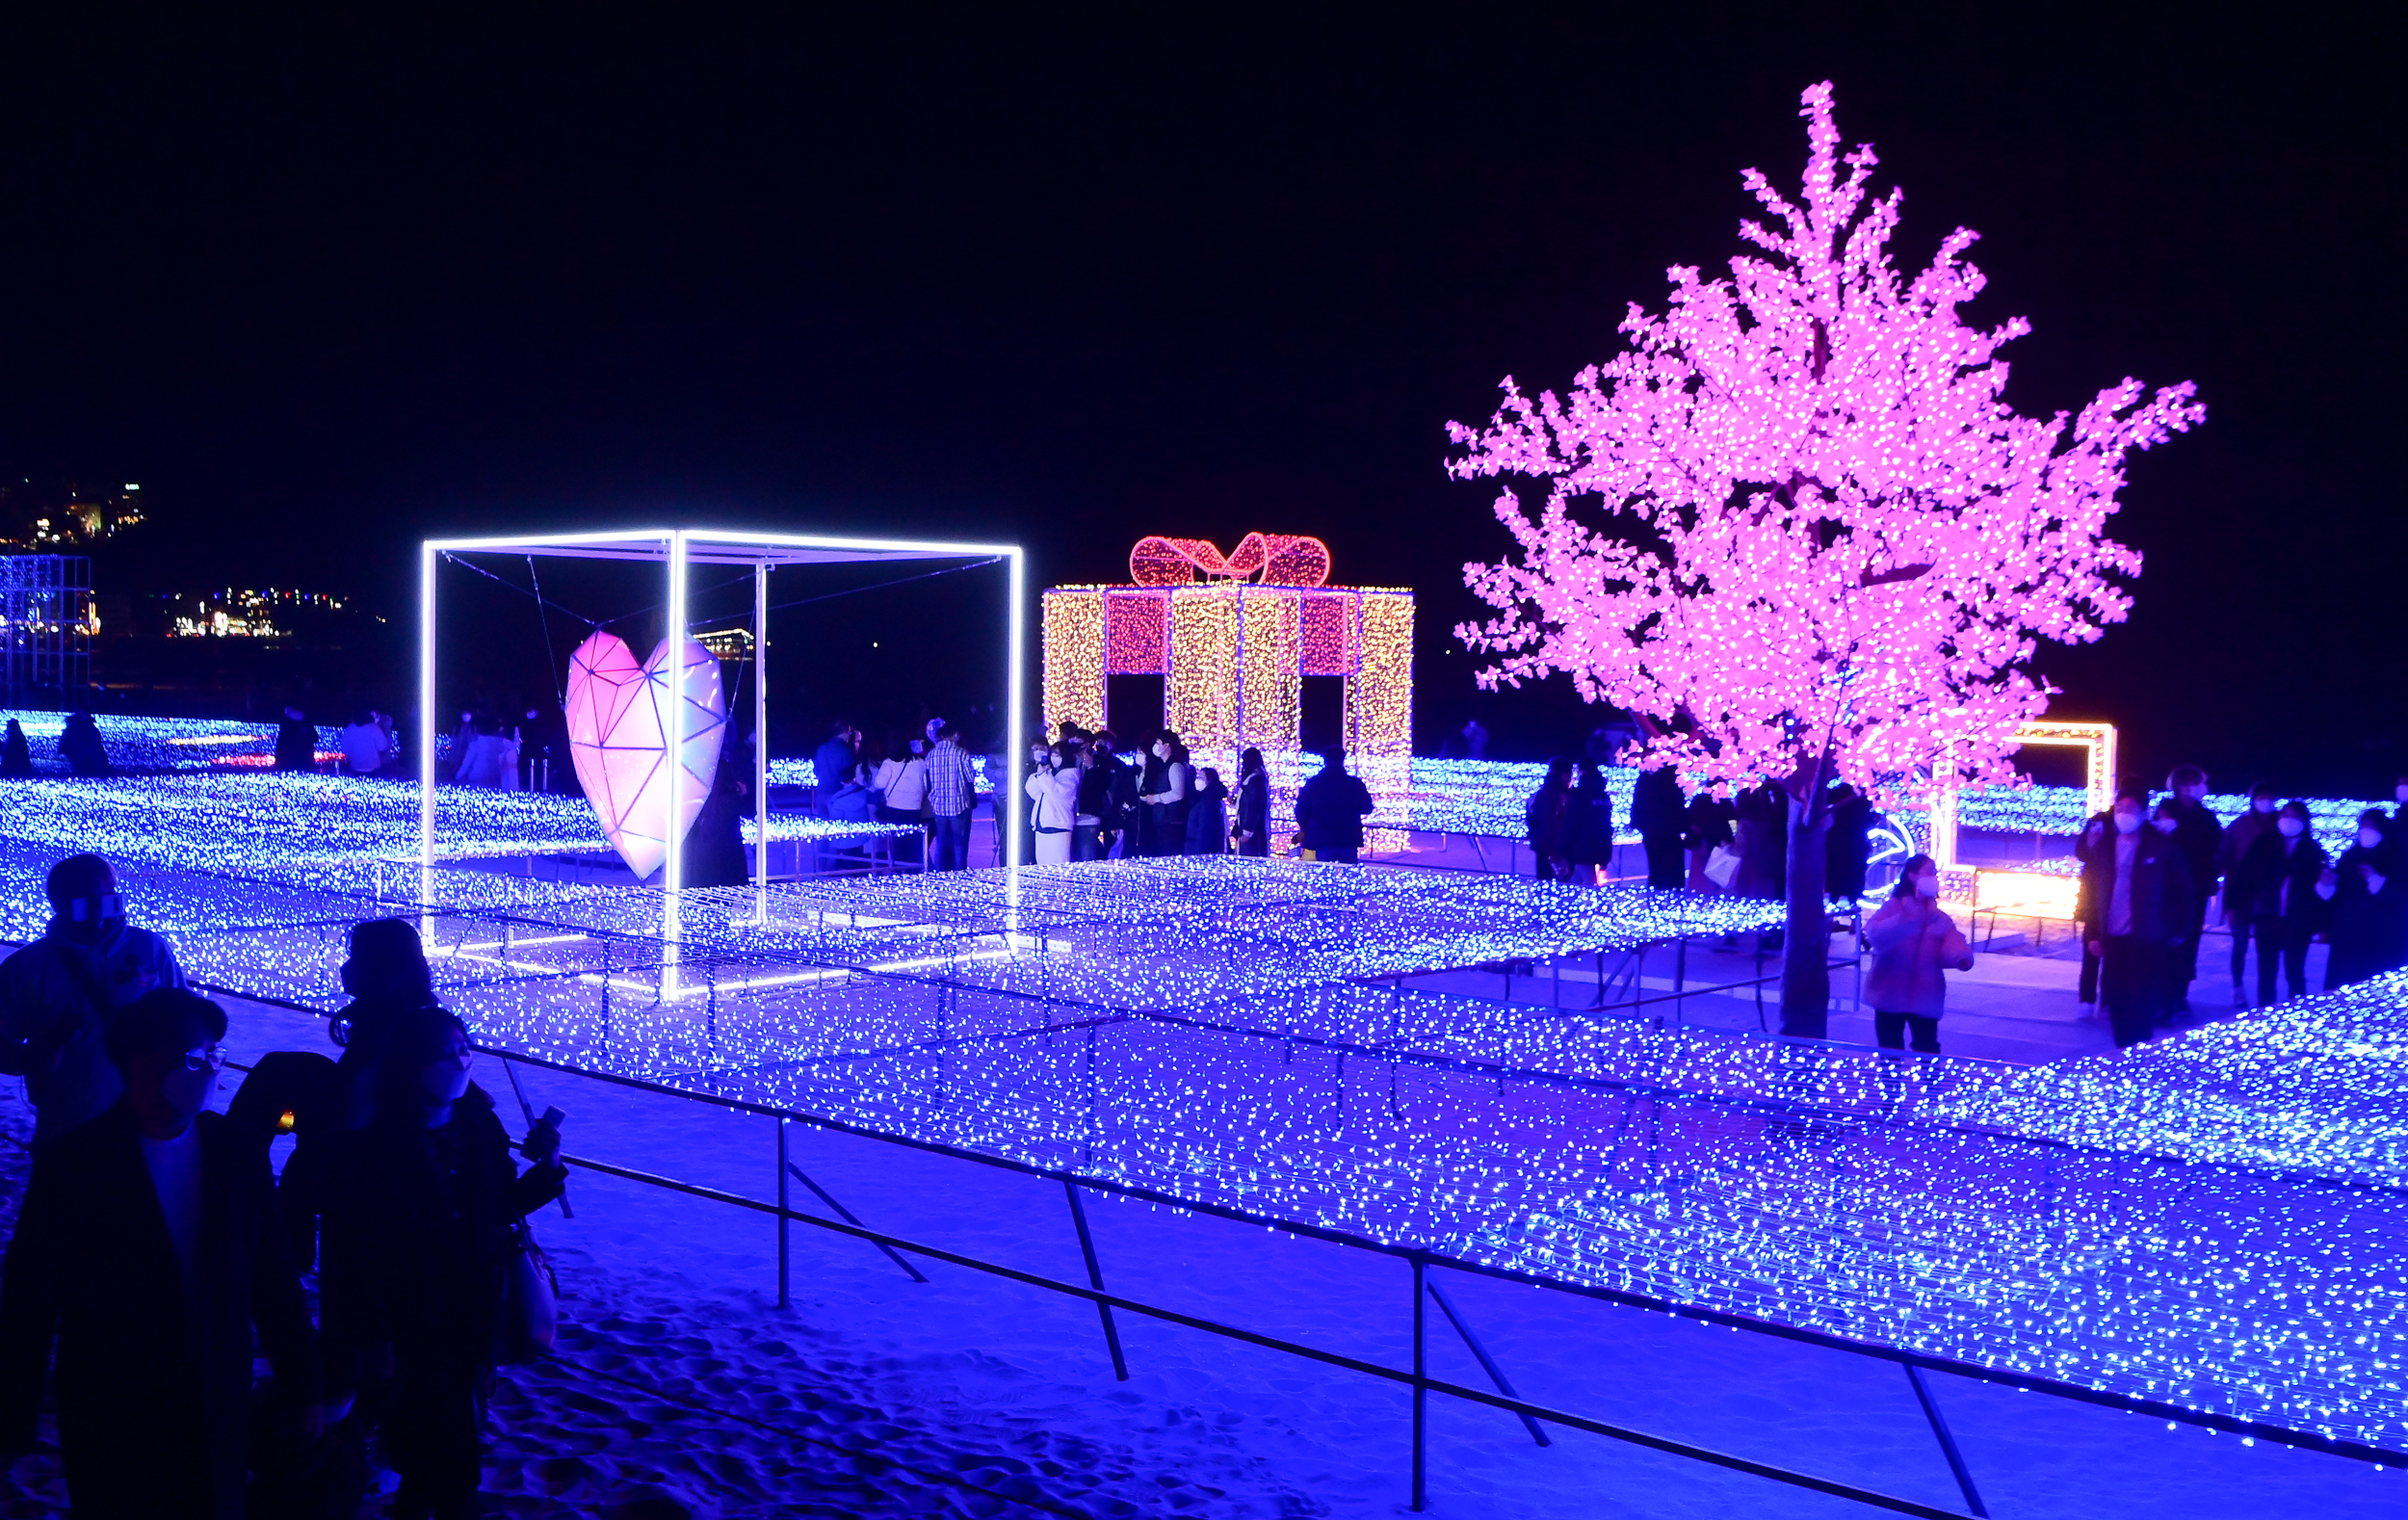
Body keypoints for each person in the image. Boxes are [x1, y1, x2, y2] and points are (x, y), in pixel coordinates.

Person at [0, 988, 322, 1519]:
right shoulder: (75, 1165)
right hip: (113, 1400)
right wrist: (13, 1422)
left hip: (217, 1389)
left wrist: (304, 1385)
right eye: (195, 1059)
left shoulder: (237, 1152)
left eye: (215, 1057)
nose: (210, 1071)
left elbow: (272, 1278)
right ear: (139, 1060)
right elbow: (29, 1300)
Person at [339, 1006, 563, 1520]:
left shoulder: (478, 1126)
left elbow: (499, 1206)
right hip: (412, 1319)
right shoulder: (380, 1142)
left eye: (464, 1048)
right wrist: (373, 1331)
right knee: (446, 1454)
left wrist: (549, 1168)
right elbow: (361, 1246)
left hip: (473, 1313)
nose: (460, 1060)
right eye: (444, 1052)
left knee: (439, 1452)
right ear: (413, 1061)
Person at [0, 854, 189, 1146]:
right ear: (62, 903)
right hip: (66, 1128)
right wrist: (28, 1059)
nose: (105, 905)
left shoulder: (150, 948)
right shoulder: (25, 968)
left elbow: (185, 1018)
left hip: (145, 1124)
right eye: (89, 897)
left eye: (110, 893)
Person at [2079, 793, 2197, 1048]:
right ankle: (2123, 1048)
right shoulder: (2104, 846)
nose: (2124, 814)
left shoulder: (2161, 847)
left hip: (2148, 937)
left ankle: (2140, 1048)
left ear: (2144, 813)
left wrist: (2180, 928)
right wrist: (2093, 933)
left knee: (2143, 997)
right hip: (2114, 937)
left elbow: (2183, 890)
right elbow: (2091, 890)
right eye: (2120, 808)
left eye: (2131, 809)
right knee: (2117, 997)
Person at [1862, 854, 1974, 1054]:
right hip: (1891, 989)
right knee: (1890, 1046)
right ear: (1913, 876)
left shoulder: (1937, 917)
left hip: (1926, 991)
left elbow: (1950, 939)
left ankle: (1930, 1084)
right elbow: (1875, 933)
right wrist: (1907, 920)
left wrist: (1961, 957)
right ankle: (1891, 1084)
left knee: (1927, 1046)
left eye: (1935, 873)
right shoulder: (1894, 908)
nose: (1935, 877)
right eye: (1930, 872)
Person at [2233, 799, 2328, 1007]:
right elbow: (2245, 877)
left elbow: (2320, 891)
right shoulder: (2263, 844)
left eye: (2294, 816)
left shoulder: (2312, 851)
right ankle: (2265, 1012)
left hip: (2298, 921)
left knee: (2295, 971)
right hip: (2267, 917)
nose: (2288, 820)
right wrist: (2242, 907)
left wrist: (2319, 924)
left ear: (2304, 820)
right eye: (2285, 815)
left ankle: (2297, 1013)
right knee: (2266, 970)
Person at [2320, 810, 2407, 990]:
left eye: (2371, 826)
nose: (2366, 831)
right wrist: (2329, 884)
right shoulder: (2350, 857)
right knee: (2345, 986)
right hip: (2348, 937)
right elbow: (2337, 896)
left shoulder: (2397, 859)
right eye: (2363, 826)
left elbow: (2400, 897)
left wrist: (2377, 881)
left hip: (2381, 940)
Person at [2213, 783, 2281, 1006]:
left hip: (2268, 897)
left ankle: (2266, 994)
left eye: (2270, 796)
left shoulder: (2280, 824)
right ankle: (2237, 987)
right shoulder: (2240, 826)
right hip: (2241, 894)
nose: (2266, 801)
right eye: (2261, 797)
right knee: (2240, 943)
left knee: (2267, 947)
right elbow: (2224, 857)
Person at [2163, 765, 2222, 1013]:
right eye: (2200, 783)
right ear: (2186, 787)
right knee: (2167, 938)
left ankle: (2180, 991)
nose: (2204, 788)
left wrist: (2212, 876)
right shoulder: (2166, 811)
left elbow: (2217, 849)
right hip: (2168, 889)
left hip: (2197, 889)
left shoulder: (2207, 817)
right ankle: (2165, 994)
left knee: (2189, 940)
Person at [1293, 747, 1374, 864]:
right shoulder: (1354, 784)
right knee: (1349, 877)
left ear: (1325, 760)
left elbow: (1301, 810)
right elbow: (1367, 808)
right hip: (1348, 837)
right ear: (1343, 759)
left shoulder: (1314, 783)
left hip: (1321, 837)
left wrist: (1307, 829)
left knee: (1322, 876)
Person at [872, 732, 930, 866]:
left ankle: (899, 870)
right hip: (914, 808)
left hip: (894, 807)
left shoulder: (889, 763)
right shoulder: (920, 762)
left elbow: (879, 784)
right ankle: (912, 869)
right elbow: (926, 785)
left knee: (897, 842)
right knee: (911, 841)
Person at [927, 723, 978, 871]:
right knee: (959, 844)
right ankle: (959, 874)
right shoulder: (961, 753)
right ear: (955, 734)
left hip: (938, 804)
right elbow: (970, 777)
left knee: (942, 842)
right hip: (959, 804)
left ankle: (941, 873)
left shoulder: (931, 754)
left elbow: (928, 780)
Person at [1629, 764, 1688, 890]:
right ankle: (1673, 898)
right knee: (1674, 871)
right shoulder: (1672, 779)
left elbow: (1639, 804)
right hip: (1670, 830)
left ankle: (1656, 899)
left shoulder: (1646, 778)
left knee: (1657, 870)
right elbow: (1678, 804)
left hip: (1652, 830)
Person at [1026, 743, 1081, 864]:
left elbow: (1055, 793)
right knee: (1042, 864)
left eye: (1058, 754)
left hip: (1058, 826)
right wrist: (1039, 775)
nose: (1054, 757)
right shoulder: (1050, 773)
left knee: (1058, 866)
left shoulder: (1071, 775)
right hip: (1041, 824)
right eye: (1053, 753)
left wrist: (1043, 776)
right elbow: (1033, 791)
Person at [1565, 760, 1616, 886]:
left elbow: (1572, 823)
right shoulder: (1603, 796)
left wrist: (1562, 847)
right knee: (1577, 878)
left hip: (1582, 846)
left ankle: (1594, 904)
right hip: (1600, 844)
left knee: (1589, 883)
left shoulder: (1579, 795)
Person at [1139, 733, 1191, 855]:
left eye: (1158, 743)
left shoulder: (1175, 765)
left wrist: (1156, 798)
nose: (1155, 747)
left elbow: (1178, 793)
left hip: (1172, 821)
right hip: (1163, 819)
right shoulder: (1164, 766)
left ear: (1166, 746)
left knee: (1170, 853)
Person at [1823, 781, 1875, 903]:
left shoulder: (1848, 790)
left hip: (1839, 837)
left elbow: (1827, 797)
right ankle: (1847, 894)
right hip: (1854, 839)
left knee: (1836, 865)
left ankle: (1833, 892)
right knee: (1850, 867)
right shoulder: (1866, 792)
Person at [1525, 758, 1574, 882]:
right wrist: (1559, 847)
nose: (1571, 778)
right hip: (1549, 846)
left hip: (1546, 844)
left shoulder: (1552, 792)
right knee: (1549, 881)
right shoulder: (1551, 794)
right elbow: (1549, 823)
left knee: (1548, 881)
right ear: (1563, 774)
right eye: (1569, 774)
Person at [1684, 791, 1737, 892]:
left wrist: (1699, 833)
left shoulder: (1700, 800)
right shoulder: (1725, 802)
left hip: (1701, 842)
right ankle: (1716, 892)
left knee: (1700, 873)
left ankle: (1700, 892)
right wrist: (1733, 836)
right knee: (1718, 873)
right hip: (1720, 842)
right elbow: (1733, 820)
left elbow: (1689, 820)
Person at [1232, 747, 1270, 857]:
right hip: (1249, 827)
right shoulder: (1257, 778)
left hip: (1250, 830)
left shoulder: (1254, 780)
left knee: (1249, 856)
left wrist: (1247, 831)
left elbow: (1253, 807)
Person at [813, 719, 859, 811]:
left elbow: (816, 771)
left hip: (820, 795)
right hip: (837, 797)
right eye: (849, 733)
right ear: (846, 730)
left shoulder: (821, 748)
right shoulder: (845, 752)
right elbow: (849, 777)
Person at [1187, 766, 1231, 854]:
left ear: (1209, 781)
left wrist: (1198, 855)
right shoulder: (1204, 798)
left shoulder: (1208, 802)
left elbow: (1204, 831)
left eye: (1201, 778)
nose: (1198, 780)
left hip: (1198, 850)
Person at [342, 708, 393, 776]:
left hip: (355, 766)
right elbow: (383, 747)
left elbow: (344, 749)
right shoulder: (375, 728)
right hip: (373, 768)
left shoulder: (350, 727)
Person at [57, 711, 109, 777]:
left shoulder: (71, 730)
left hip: (81, 758)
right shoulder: (91, 729)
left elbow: (63, 744)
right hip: (90, 759)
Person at [275, 705, 318, 772]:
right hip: (304, 758)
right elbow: (315, 738)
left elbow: (282, 743)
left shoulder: (286, 724)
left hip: (288, 759)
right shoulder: (307, 722)